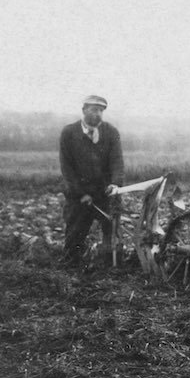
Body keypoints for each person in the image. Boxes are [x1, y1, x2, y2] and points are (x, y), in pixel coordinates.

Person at [59, 95, 125, 265]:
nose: (98, 114)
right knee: (75, 233)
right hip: (79, 195)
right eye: (94, 110)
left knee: (112, 231)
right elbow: (67, 168)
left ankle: (110, 266)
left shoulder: (111, 133)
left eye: (101, 111)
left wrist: (115, 184)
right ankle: (71, 269)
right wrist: (80, 194)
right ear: (84, 110)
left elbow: (117, 162)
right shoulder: (69, 133)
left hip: (106, 192)